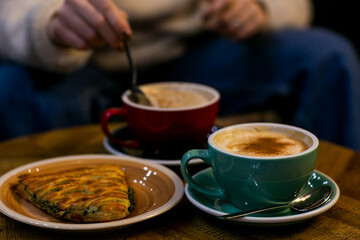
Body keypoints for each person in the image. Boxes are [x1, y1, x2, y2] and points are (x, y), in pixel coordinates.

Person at [0, 0, 359, 152]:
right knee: (12, 88)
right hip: (76, 61)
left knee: (327, 56)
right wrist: (45, 23)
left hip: (199, 51)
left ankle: (339, 207)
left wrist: (260, 8)